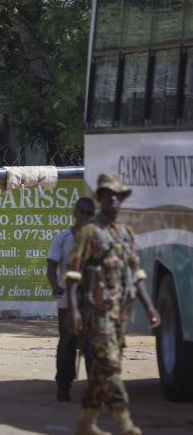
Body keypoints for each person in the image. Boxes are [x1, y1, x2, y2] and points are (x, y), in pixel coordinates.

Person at [65, 173, 161, 435]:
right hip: (96, 312)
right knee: (109, 365)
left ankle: (86, 421)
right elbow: (73, 274)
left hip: (121, 311)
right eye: (109, 196)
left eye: (119, 196)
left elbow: (137, 274)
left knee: (103, 368)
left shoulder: (126, 234)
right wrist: (73, 309)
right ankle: (124, 421)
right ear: (101, 199)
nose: (115, 200)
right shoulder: (89, 232)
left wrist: (150, 307)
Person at [46, 197, 96, 402]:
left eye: (88, 214)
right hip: (68, 300)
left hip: (92, 301)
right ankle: (63, 387)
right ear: (74, 213)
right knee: (67, 343)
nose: (83, 217)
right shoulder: (64, 237)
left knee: (93, 346)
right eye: (80, 213)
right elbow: (51, 265)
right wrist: (55, 286)